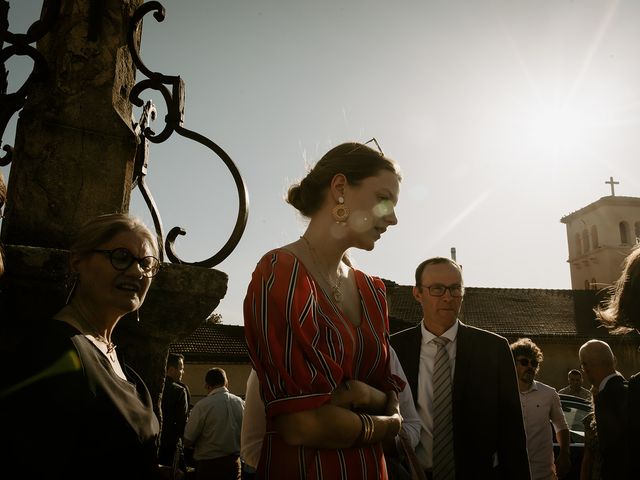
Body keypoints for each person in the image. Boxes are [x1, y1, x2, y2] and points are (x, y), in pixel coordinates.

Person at [243, 141, 404, 480]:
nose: (393, 217)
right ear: (340, 188)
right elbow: (302, 425)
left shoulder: (372, 292)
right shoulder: (280, 273)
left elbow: (392, 396)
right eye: (383, 199)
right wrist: (387, 425)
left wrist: (366, 395)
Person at [1, 213, 162, 479]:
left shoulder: (114, 355)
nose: (136, 271)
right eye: (121, 257)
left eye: (146, 264)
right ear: (78, 261)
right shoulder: (54, 350)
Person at [391, 257, 531, 479]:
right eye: (437, 289)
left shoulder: (493, 349)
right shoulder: (393, 349)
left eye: (455, 288)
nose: (448, 297)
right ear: (417, 293)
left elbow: (511, 431)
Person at [239, 347, 423, 480]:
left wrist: (382, 430)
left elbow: (412, 427)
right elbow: (252, 447)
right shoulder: (278, 356)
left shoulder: (384, 353)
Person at [511, 338, 571, 480]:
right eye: (525, 362)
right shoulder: (502, 392)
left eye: (534, 363)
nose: (530, 366)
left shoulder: (549, 393)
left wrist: (564, 454)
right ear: (513, 363)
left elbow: (561, 426)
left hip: (543, 473)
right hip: (511, 471)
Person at [578, 339, 630, 480]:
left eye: (583, 366)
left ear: (586, 366)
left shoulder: (606, 397)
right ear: (613, 361)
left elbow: (611, 452)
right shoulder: (631, 390)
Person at [184, 367, 244, 480]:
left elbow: (188, 440)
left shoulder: (202, 406)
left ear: (207, 385)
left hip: (208, 467)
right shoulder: (240, 403)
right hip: (234, 465)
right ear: (226, 382)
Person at [159, 353, 191, 470]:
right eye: (181, 368)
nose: (183, 372)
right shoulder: (179, 391)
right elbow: (182, 421)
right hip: (172, 443)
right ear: (171, 370)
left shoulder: (154, 386)